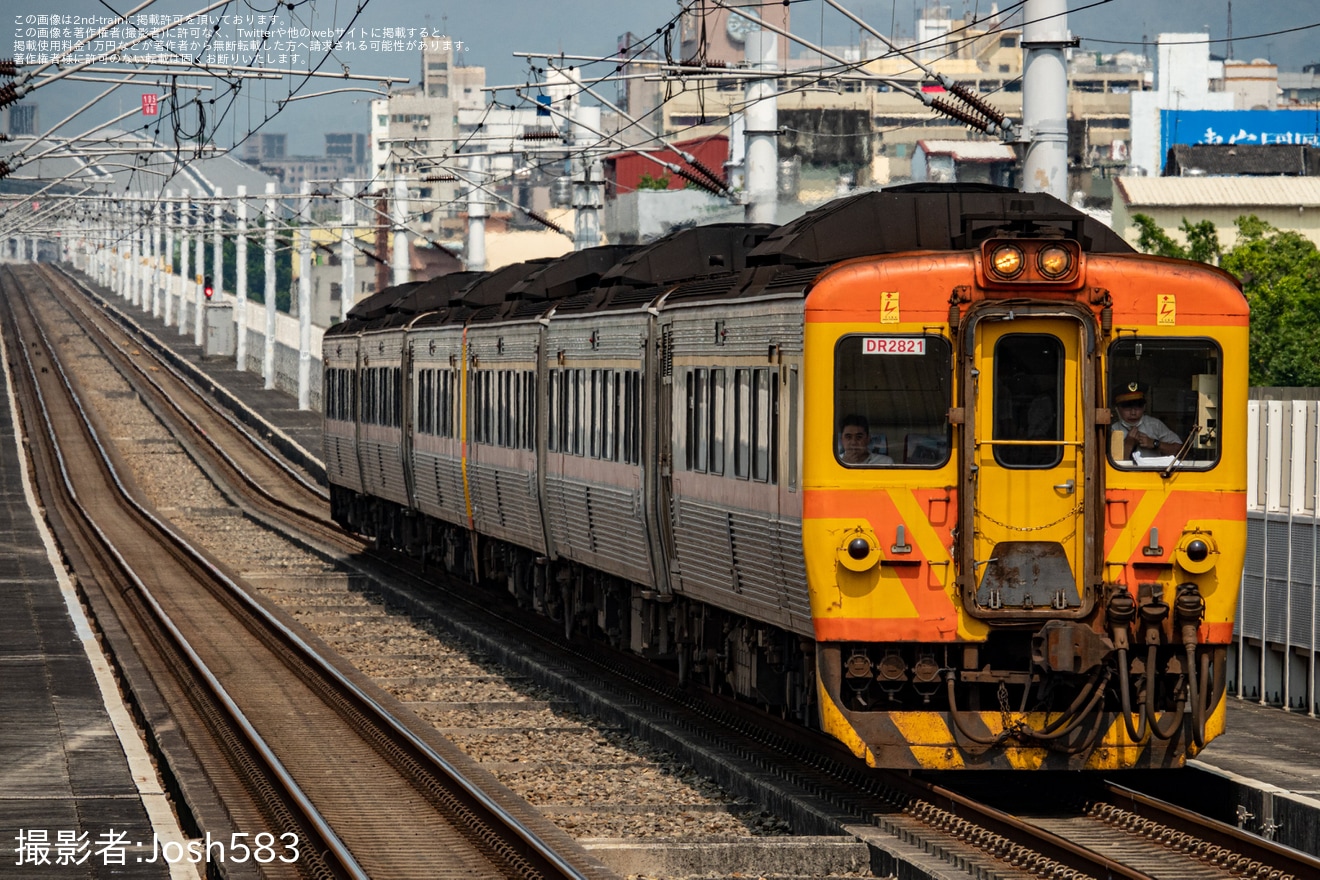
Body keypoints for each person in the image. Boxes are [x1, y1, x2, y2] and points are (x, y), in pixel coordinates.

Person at [1112, 385, 1180, 459]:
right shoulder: (1113, 429)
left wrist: (1155, 443)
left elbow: (1180, 451)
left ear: (1144, 407)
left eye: (1138, 406)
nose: (1133, 413)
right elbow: (1111, 464)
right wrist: (1128, 444)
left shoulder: (1154, 425)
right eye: (1127, 407)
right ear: (1117, 409)